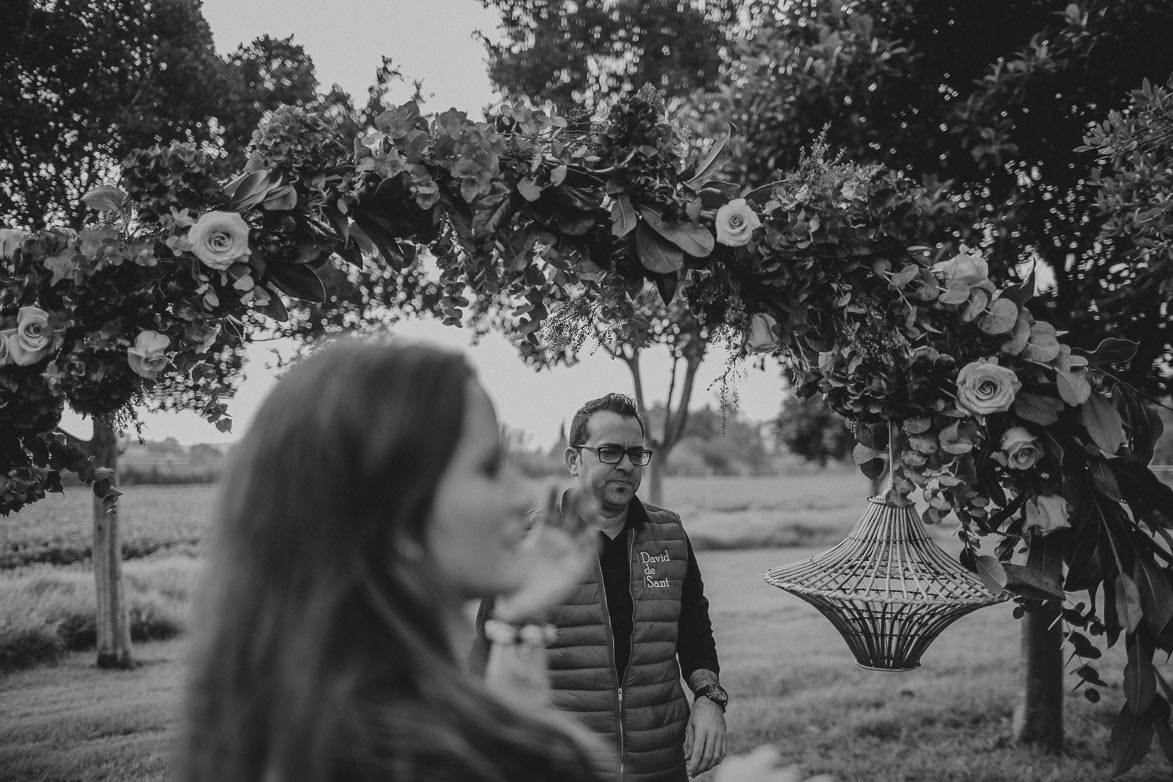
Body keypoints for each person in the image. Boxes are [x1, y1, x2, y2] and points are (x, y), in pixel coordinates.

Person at [174, 338, 610, 782]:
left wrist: (523, 617)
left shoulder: (279, 722)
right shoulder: (450, 760)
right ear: (396, 517)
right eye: (489, 467)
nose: (525, 495)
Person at [474, 392, 727, 782]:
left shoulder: (670, 534)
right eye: (609, 451)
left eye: (635, 453)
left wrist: (709, 700)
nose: (626, 465)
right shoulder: (531, 539)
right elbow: (487, 655)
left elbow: (694, 632)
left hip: (659, 764)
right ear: (574, 460)